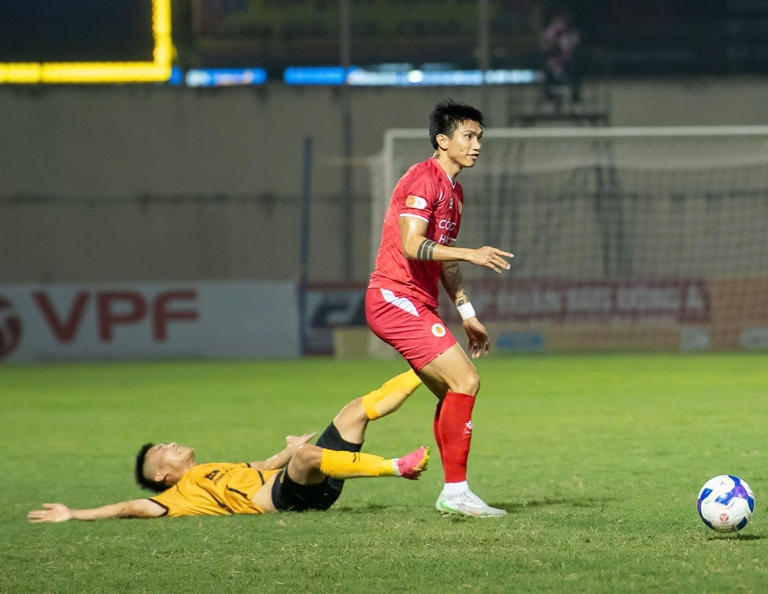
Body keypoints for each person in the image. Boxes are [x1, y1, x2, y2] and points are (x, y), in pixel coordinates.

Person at [366, 99, 513, 517]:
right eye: (468, 136)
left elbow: (443, 259)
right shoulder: (423, 179)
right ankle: (455, 491)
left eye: (479, 137)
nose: (477, 144)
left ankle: (454, 492)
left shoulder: (455, 192)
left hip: (415, 302)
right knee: (466, 380)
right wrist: (472, 252)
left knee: (454, 392)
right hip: (394, 298)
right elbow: (412, 245)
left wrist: (467, 313)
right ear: (442, 140)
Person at [27, 370, 428, 522]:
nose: (171, 443)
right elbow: (128, 508)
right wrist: (73, 514)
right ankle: (397, 467)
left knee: (353, 411)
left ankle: (424, 368)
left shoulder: (212, 469)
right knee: (309, 456)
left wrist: (289, 449)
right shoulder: (178, 497)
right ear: (162, 475)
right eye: (162, 449)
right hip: (288, 499)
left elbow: (266, 463)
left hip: (305, 481)